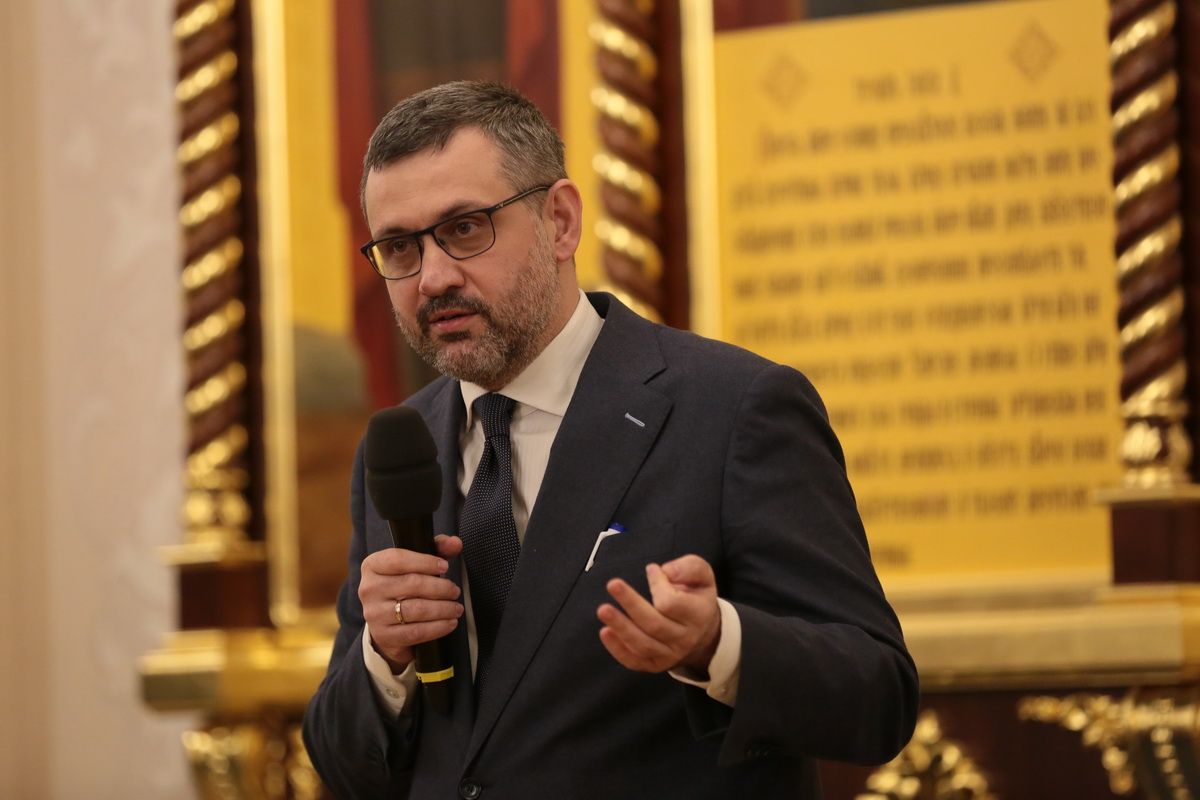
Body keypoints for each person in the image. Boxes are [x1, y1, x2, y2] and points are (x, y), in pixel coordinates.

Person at [302, 80, 918, 800]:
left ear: (560, 221)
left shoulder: (733, 409)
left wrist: (717, 643)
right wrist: (385, 657)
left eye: (466, 228)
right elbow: (344, 765)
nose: (432, 278)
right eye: (400, 248)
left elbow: (877, 695)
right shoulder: (400, 449)